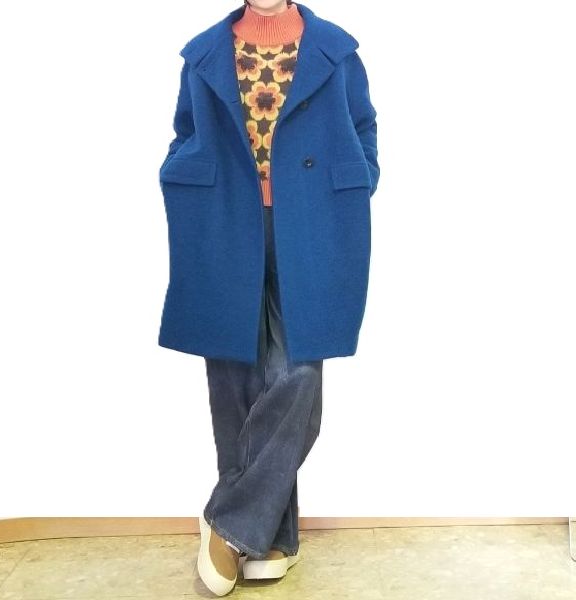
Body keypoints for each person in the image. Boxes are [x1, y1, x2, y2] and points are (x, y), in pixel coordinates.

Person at [158, 0, 379, 595]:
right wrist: (180, 175)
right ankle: (272, 537)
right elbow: (185, 131)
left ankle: (229, 523)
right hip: (224, 217)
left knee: (298, 372)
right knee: (234, 377)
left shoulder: (336, 50)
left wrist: (360, 180)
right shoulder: (205, 53)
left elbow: (363, 127)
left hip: (314, 219)